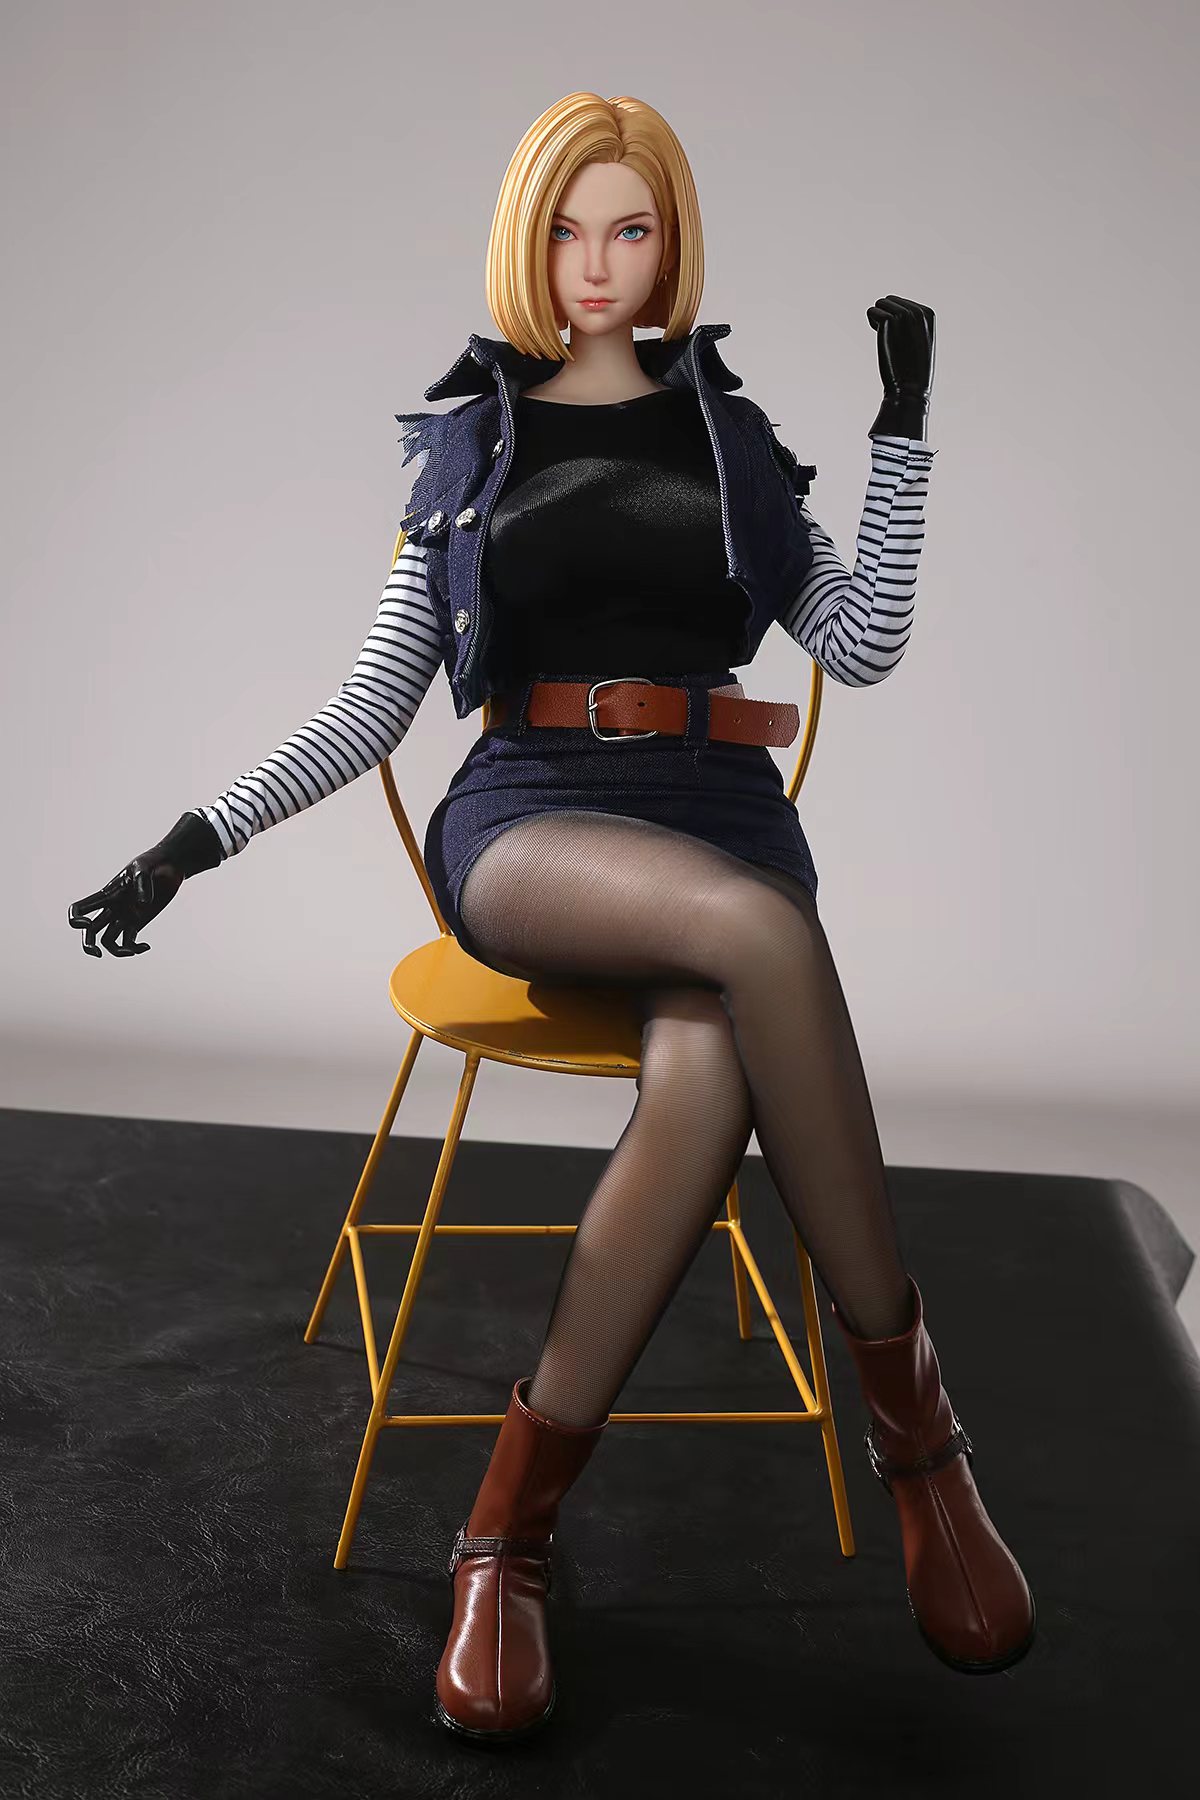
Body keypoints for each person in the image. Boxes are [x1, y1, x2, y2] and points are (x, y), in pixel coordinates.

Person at [68, 91, 1036, 1744]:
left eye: (632, 229)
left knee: (710, 1073)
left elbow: (861, 643)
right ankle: (924, 1450)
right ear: (530, 243)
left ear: (671, 244)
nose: (599, 263)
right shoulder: (472, 444)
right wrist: (190, 841)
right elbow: (375, 703)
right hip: (532, 818)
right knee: (768, 939)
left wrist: (905, 428)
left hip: (717, 809)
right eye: (570, 229)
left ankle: (503, 1537)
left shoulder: (731, 437)